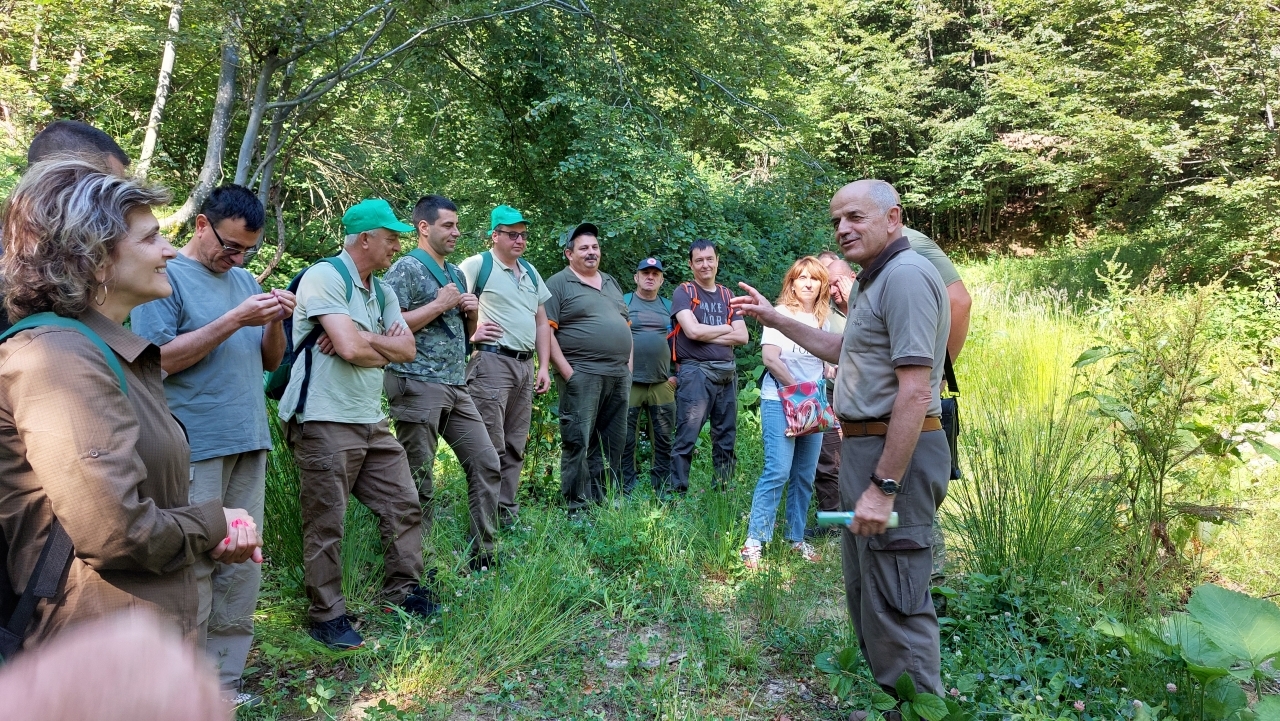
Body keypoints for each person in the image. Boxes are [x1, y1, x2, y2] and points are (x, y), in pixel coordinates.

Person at [0, 159, 262, 651]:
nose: (169, 250)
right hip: (97, 649)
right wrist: (215, 522)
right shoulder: (58, 358)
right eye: (150, 238)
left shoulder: (103, 351)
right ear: (94, 258)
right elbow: (115, 532)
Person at [733, 179, 951, 705]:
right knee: (869, 590)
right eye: (836, 221)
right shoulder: (874, 281)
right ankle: (890, 704)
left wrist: (884, 486)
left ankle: (919, 710)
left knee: (897, 594)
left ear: (893, 218)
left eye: (855, 216)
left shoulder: (905, 276)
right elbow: (839, 347)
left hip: (893, 453)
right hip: (863, 448)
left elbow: (916, 390)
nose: (842, 229)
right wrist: (773, 317)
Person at [130, 185, 291, 705]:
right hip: (193, 444)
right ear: (202, 225)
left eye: (248, 250)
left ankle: (224, 685)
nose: (238, 259)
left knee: (243, 563)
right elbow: (157, 362)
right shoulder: (166, 277)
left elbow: (270, 361)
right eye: (231, 246)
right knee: (195, 564)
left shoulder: (242, 279)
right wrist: (235, 319)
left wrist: (274, 320)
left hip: (249, 438)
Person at [277, 198, 434, 650]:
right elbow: (348, 350)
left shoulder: (382, 292)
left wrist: (363, 336)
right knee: (326, 520)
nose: (397, 246)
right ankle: (327, 615)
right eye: (391, 238)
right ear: (365, 239)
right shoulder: (326, 276)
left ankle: (402, 593)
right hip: (323, 418)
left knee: (403, 503)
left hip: (370, 418)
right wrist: (374, 344)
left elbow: (407, 351)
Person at [382, 194, 503, 572]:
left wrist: (471, 313)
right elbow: (388, 326)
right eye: (448, 225)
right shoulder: (405, 268)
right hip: (416, 382)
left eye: (456, 225)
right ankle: (422, 565)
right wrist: (439, 304)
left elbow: (465, 335)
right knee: (419, 479)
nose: (456, 232)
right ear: (424, 227)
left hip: (455, 384)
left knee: (486, 462)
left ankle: (484, 554)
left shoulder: (455, 273)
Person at [457, 205, 553, 527]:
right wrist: (471, 335)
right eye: (512, 234)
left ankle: (506, 516)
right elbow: (451, 306)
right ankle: (482, 523)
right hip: (491, 363)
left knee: (515, 445)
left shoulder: (530, 272)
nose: (520, 240)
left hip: (525, 367)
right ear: (494, 235)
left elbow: (541, 322)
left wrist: (543, 366)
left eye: (523, 234)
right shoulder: (477, 265)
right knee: (490, 446)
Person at [741, 256, 832, 569]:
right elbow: (770, 359)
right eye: (801, 277)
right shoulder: (779, 315)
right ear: (791, 283)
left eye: (814, 278)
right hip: (780, 401)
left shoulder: (823, 319)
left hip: (812, 405)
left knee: (805, 474)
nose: (808, 283)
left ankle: (795, 539)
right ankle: (754, 542)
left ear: (822, 285)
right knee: (778, 470)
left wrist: (829, 368)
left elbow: (823, 361)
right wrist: (799, 394)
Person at [1, 120, 132, 334]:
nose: (117, 203)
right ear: (61, 179)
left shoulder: (65, 258)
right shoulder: (17, 267)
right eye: (103, 187)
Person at [545, 223, 633, 510]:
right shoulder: (557, 283)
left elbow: (625, 326)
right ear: (569, 254)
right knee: (578, 440)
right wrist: (568, 373)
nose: (591, 252)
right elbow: (545, 331)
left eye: (595, 247)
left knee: (613, 442)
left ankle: (604, 499)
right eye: (584, 248)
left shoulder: (610, 282)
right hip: (582, 373)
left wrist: (628, 367)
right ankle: (576, 506)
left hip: (618, 374)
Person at [667, 239, 748, 495]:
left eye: (709, 259)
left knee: (726, 435)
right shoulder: (684, 292)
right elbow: (691, 331)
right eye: (699, 260)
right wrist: (725, 327)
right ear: (691, 264)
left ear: (717, 261)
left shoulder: (727, 295)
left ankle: (723, 490)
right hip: (695, 372)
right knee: (687, 435)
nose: (705, 265)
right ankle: (677, 494)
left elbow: (742, 337)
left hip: (727, 373)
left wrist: (706, 333)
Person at [622, 257, 676, 494]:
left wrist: (676, 376)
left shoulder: (670, 307)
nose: (650, 277)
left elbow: (681, 342)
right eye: (645, 273)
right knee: (625, 439)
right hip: (629, 383)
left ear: (662, 280)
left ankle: (662, 490)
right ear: (636, 277)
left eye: (655, 274)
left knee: (664, 439)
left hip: (662, 383)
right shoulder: (623, 302)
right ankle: (625, 489)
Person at [809, 251, 852, 524]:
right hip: (830, 391)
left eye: (837, 283)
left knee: (862, 455)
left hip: (865, 395)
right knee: (828, 458)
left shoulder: (871, 304)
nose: (832, 290)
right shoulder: (823, 311)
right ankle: (833, 522)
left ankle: (862, 516)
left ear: (852, 277)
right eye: (828, 284)